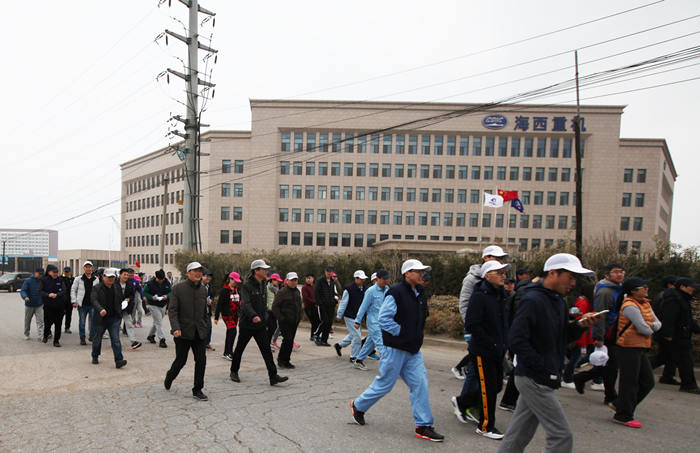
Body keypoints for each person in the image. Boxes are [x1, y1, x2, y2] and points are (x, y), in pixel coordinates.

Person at [498, 253, 598, 453]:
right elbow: (516, 340)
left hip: (540, 374)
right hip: (534, 377)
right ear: (552, 273)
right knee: (561, 436)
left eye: (575, 278)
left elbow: (560, 337)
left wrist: (580, 325)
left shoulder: (558, 300)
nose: (573, 283)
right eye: (570, 277)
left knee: (518, 435)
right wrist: (541, 366)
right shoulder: (532, 299)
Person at [350, 259, 444, 442]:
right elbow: (384, 319)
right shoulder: (396, 292)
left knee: (420, 384)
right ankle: (358, 406)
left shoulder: (420, 292)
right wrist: (402, 333)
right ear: (407, 273)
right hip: (395, 348)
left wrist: (415, 335)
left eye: (423, 271)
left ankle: (423, 425)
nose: (422, 274)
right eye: (418, 271)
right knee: (385, 384)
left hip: (413, 349)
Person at [452, 260, 510, 439]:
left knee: (496, 386)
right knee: (488, 389)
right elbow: (472, 324)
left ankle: (463, 402)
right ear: (487, 276)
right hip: (483, 350)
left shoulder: (502, 295)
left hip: (498, 349)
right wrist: (490, 343)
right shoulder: (479, 296)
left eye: (504, 272)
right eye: (498, 272)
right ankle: (485, 426)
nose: (503, 276)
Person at [229, 259, 288, 386]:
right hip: (247, 324)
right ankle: (234, 371)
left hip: (260, 324)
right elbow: (246, 304)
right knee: (240, 349)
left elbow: (264, 303)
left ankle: (273, 376)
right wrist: (253, 315)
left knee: (266, 350)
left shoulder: (263, 284)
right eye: (264, 269)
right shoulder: (247, 285)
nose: (266, 271)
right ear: (256, 271)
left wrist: (264, 317)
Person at [612, 277, 660, 428]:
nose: (646, 289)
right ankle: (623, 415)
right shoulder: (630, 306)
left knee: (648, 381)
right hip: (628, 347)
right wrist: (651, 326)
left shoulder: (645, 303)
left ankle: (620, 404)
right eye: (643, 287)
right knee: (629, 383)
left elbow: (658, 324)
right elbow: (644, 329)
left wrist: (650, 325)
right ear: (633, 291)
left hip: (641, 346)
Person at [573, 263, 625, 401]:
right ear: (607, 275)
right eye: (616, 272)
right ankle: (610, 396)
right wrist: (599, 337)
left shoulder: (618, 289)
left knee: (609, 365)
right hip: (607, 333)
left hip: (615, 332)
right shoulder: (605, 292)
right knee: (611, 365)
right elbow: (600, 315)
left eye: (621, 271)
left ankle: (582, 378)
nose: (620, 274)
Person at [164, 262, 210, 400]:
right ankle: (170, 376)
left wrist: (205, 326)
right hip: (183, 332)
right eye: (195, 270)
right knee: (181, 360)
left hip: (199, 332)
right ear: (188, 273)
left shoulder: (203, 290)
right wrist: (176, 328)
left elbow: (204, 311)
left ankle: (197, 389)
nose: (198, 273)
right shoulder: (178, 288)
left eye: (200, 271)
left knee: (201, 361)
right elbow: (172, 310)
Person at [659, 277, 700, 393]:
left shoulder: (682, 298)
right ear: (682, 287)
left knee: (666, 358)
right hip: (678, 335)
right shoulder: (674, 300)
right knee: (685, 361)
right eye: (691, 287)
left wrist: (697, 330)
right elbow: (669, 317)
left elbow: (687, 319)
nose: (693, 289)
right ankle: (689, 385)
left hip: (681, 334)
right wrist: (667, 334)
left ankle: (682, 381)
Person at [353, 269, 391, 371]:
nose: (386, 281)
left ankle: (359, 360)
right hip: (373, 322)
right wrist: (357, 321)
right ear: (377, 279)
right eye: (384, 279)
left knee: (370, 342)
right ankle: (389, 367)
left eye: (387, 279)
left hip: (384, 321)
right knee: (381, 343)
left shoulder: (388, 289)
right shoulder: (371, 291)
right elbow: (363, 307)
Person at [90, 268, 127, 368]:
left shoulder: (117, 287)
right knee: (97, 338)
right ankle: (95, 355)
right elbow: (94, 300)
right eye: (109, 277)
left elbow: (121, 299)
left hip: (114, 318)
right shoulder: (97, 288)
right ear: (103, 277)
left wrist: (122, 307)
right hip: (101, 318)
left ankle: (119, 360)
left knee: (116, 339)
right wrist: (100, 309)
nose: (111, 279)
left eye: (113, 277)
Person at [651, 274, 679, 384]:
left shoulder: (661, 296)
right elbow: (667, 316)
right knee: (665, 355)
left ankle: (668, 376)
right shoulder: (667, 297)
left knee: (669, 355)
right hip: (664, 330)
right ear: (670, 285)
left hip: (661, 329)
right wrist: (667, 332)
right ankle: (642, 369)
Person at [335, 270, 368, 363]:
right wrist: (339, 314)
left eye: (363, 279)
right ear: (355, 278)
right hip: (350, 316)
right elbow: (343, 302)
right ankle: (354, 356)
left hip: (359, 316)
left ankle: (339, 345)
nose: (362, 280)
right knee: (357, 337)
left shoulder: (364, 288)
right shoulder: (349, 289)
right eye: (360, 279)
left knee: (353, 335)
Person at [272, 272, 303, 369]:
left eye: (295, 280)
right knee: (287, 340)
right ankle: (281, 360)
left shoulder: (297, 291)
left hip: (294, 321)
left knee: (290, 341)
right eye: (292, 280)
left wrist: (299, 316)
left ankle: (287, 360)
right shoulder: (282, 292)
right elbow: (275, 307)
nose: (294, 282)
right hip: (284, 321)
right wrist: (281, 318)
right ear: (287, 281)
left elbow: (299, 305)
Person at [561, 295, 594, 388]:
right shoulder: (583, 304)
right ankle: (567, 378)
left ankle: (566, 376)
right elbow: (579, 320)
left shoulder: (583, 302)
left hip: (581, 336)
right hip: (580, 337)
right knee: (576, 358)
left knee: (576, 358)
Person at [215, 271, 242, 360]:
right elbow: (219, 304)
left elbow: (240, 302)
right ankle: (227, 352)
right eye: (234, 280)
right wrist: (216, 317)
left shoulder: (237, 290)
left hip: (235, 315)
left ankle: (228, 352)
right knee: (232, 331)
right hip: (227, 315)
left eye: (237, 281)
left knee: (231, 333)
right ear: (230, 279)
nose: (236, 282)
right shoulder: (224, 290)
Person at [144, 269, 172, 348]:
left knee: (157, 321)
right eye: (159, 279)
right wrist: (151, 297)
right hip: (153, 304)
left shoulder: (167, 283)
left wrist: (167, 296)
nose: (160, 281)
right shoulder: (149, 284)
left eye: (162, 279)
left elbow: (171, 291)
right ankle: (162, 339)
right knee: (159, 322)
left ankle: (150, 335)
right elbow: (144, 292)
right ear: (156, 277)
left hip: (163, 304)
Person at [71, 261, 97, 345]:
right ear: (84, 268)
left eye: (90, 267)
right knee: (82, 322)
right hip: (82, 304)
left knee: (93, 321)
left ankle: (92, 336)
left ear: (92, 268)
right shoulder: (78, 279)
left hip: (93, 304)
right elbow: (73, 290)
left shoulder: (96, 279)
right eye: (86, 267)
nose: (88, 269)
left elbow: (99, 291)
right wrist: (74, 301)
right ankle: (82, 337)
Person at [40, 264, 66, 347]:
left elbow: (64, 291)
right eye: (54, 272)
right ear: (49, 272)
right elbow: (40, 291)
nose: (55, 274)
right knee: (48, 323)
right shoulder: (44, 280)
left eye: (57, 272)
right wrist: (48, 295)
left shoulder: (60, 280)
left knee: (58, 324)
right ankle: (45, 335)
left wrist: (57, 295)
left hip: (59, 306)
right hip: (48, 306)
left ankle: (56, 341)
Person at [117, 268, 141, 350]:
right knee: (116, 325)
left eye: (127, 275)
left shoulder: (130, 285)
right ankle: (116, 341)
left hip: (126, 308)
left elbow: (132, 295)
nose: (126, 276)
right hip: (116, 308)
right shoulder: (114, 284)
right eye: (124, 275)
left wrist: (128, 299)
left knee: (129, 324)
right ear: (120, 275)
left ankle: (133, 342)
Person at [314, 266, 336, 346]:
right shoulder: (320, 280)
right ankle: (316, 334)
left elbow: (334, 292)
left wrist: (334, 301)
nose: (329, 273)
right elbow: (316, 292)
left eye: (330, 271)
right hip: (322, 305)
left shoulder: (332, 281)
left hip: (331, 305)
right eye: (327, 271)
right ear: (325, 271)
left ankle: (324, 340)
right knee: (325, 321)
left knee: (329, 323)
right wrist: (319, 303)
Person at [20, 268, 45, 341]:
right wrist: (25, 297)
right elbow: (23, 290)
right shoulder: (28, 281)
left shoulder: (42, 281)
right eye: (39, 274)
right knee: (27, 320)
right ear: (35, 273)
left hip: (39, 304)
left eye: (42, 274)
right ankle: (26, 334)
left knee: (40, 321)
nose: (40, 275)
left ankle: (41, 336)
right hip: (29, 304)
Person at [266, 273, 282, 348]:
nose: (278, 282)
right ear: (272, 280)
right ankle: (267, 344)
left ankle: (269, 343)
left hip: (275, 311)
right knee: (270, 328)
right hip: (268, 311)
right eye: (277, 281)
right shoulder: (267, 288)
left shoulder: (277, 289)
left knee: (274, 328)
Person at [302, 274, 320, 341]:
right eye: (307, 278)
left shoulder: (315, 286)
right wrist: (315, 302)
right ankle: (313, 336)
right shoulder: (304, 287)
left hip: (315, 307)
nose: (308, 280)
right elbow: (306, 298)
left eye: (310, 278)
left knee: (317, 321)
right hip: (309, 307)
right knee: (314, 322)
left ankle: (315, 335)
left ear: (313, 279)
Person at [202, 269, 215, 351]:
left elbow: (212, 296)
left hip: (207, 311)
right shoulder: (198, 286)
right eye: (206, 276)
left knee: (209, 327)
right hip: (199, 311)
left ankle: (207, 343)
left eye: (209, 277)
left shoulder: (209, 286)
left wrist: (211, 301)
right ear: (202, 276)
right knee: (201, 328)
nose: (208, 278)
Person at [60, 267, 75, 334]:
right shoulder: (60, 278)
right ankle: (58, 327)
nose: (66, 273)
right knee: (60, 315)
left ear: (70, 272)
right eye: (65, 272)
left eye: (68, 272)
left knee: (69, 314)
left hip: (69, 300)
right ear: (63, 271)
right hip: (62, 300)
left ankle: (67, 327)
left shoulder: (72, 279)